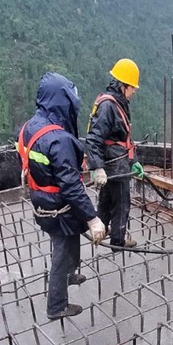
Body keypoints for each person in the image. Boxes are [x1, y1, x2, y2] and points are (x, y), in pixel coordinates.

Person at [17, 72, 106, 319]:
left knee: (69, 241)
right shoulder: (59, 139)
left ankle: (69, 276)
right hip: (58, 206)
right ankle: (56, 306)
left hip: (41, 199)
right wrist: (92, 218)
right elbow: (71, 187)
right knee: (62, 251)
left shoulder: (29, 128)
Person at [86, 58, 145, 248]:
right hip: (115, 165)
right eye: (132, 87)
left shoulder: (117, 103)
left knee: (106, 199)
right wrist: (97, 167)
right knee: (121, 203)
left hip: (116, 163)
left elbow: (124, 137)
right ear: (123, 85)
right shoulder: (109, 106)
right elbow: (93, 138)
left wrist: (133, 161)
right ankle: (117, 241)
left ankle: (100, 231)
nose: (134, 91)